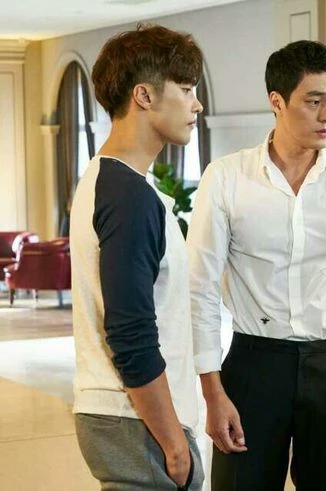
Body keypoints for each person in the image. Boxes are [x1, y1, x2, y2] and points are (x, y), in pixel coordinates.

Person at [187, 40, 326, 491]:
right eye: (313, 101)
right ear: (277, 101)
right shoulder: (226, 177)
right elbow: (200, 289)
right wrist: (212, 394)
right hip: (254, 366)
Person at [70, 24, 205, 490]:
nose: (196, 105)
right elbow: (130, 333)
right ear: (144, 95)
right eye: (186, 89)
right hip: (135, 421)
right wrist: (173, 443)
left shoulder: (107, 180)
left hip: (124, 417)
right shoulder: (128, 195)